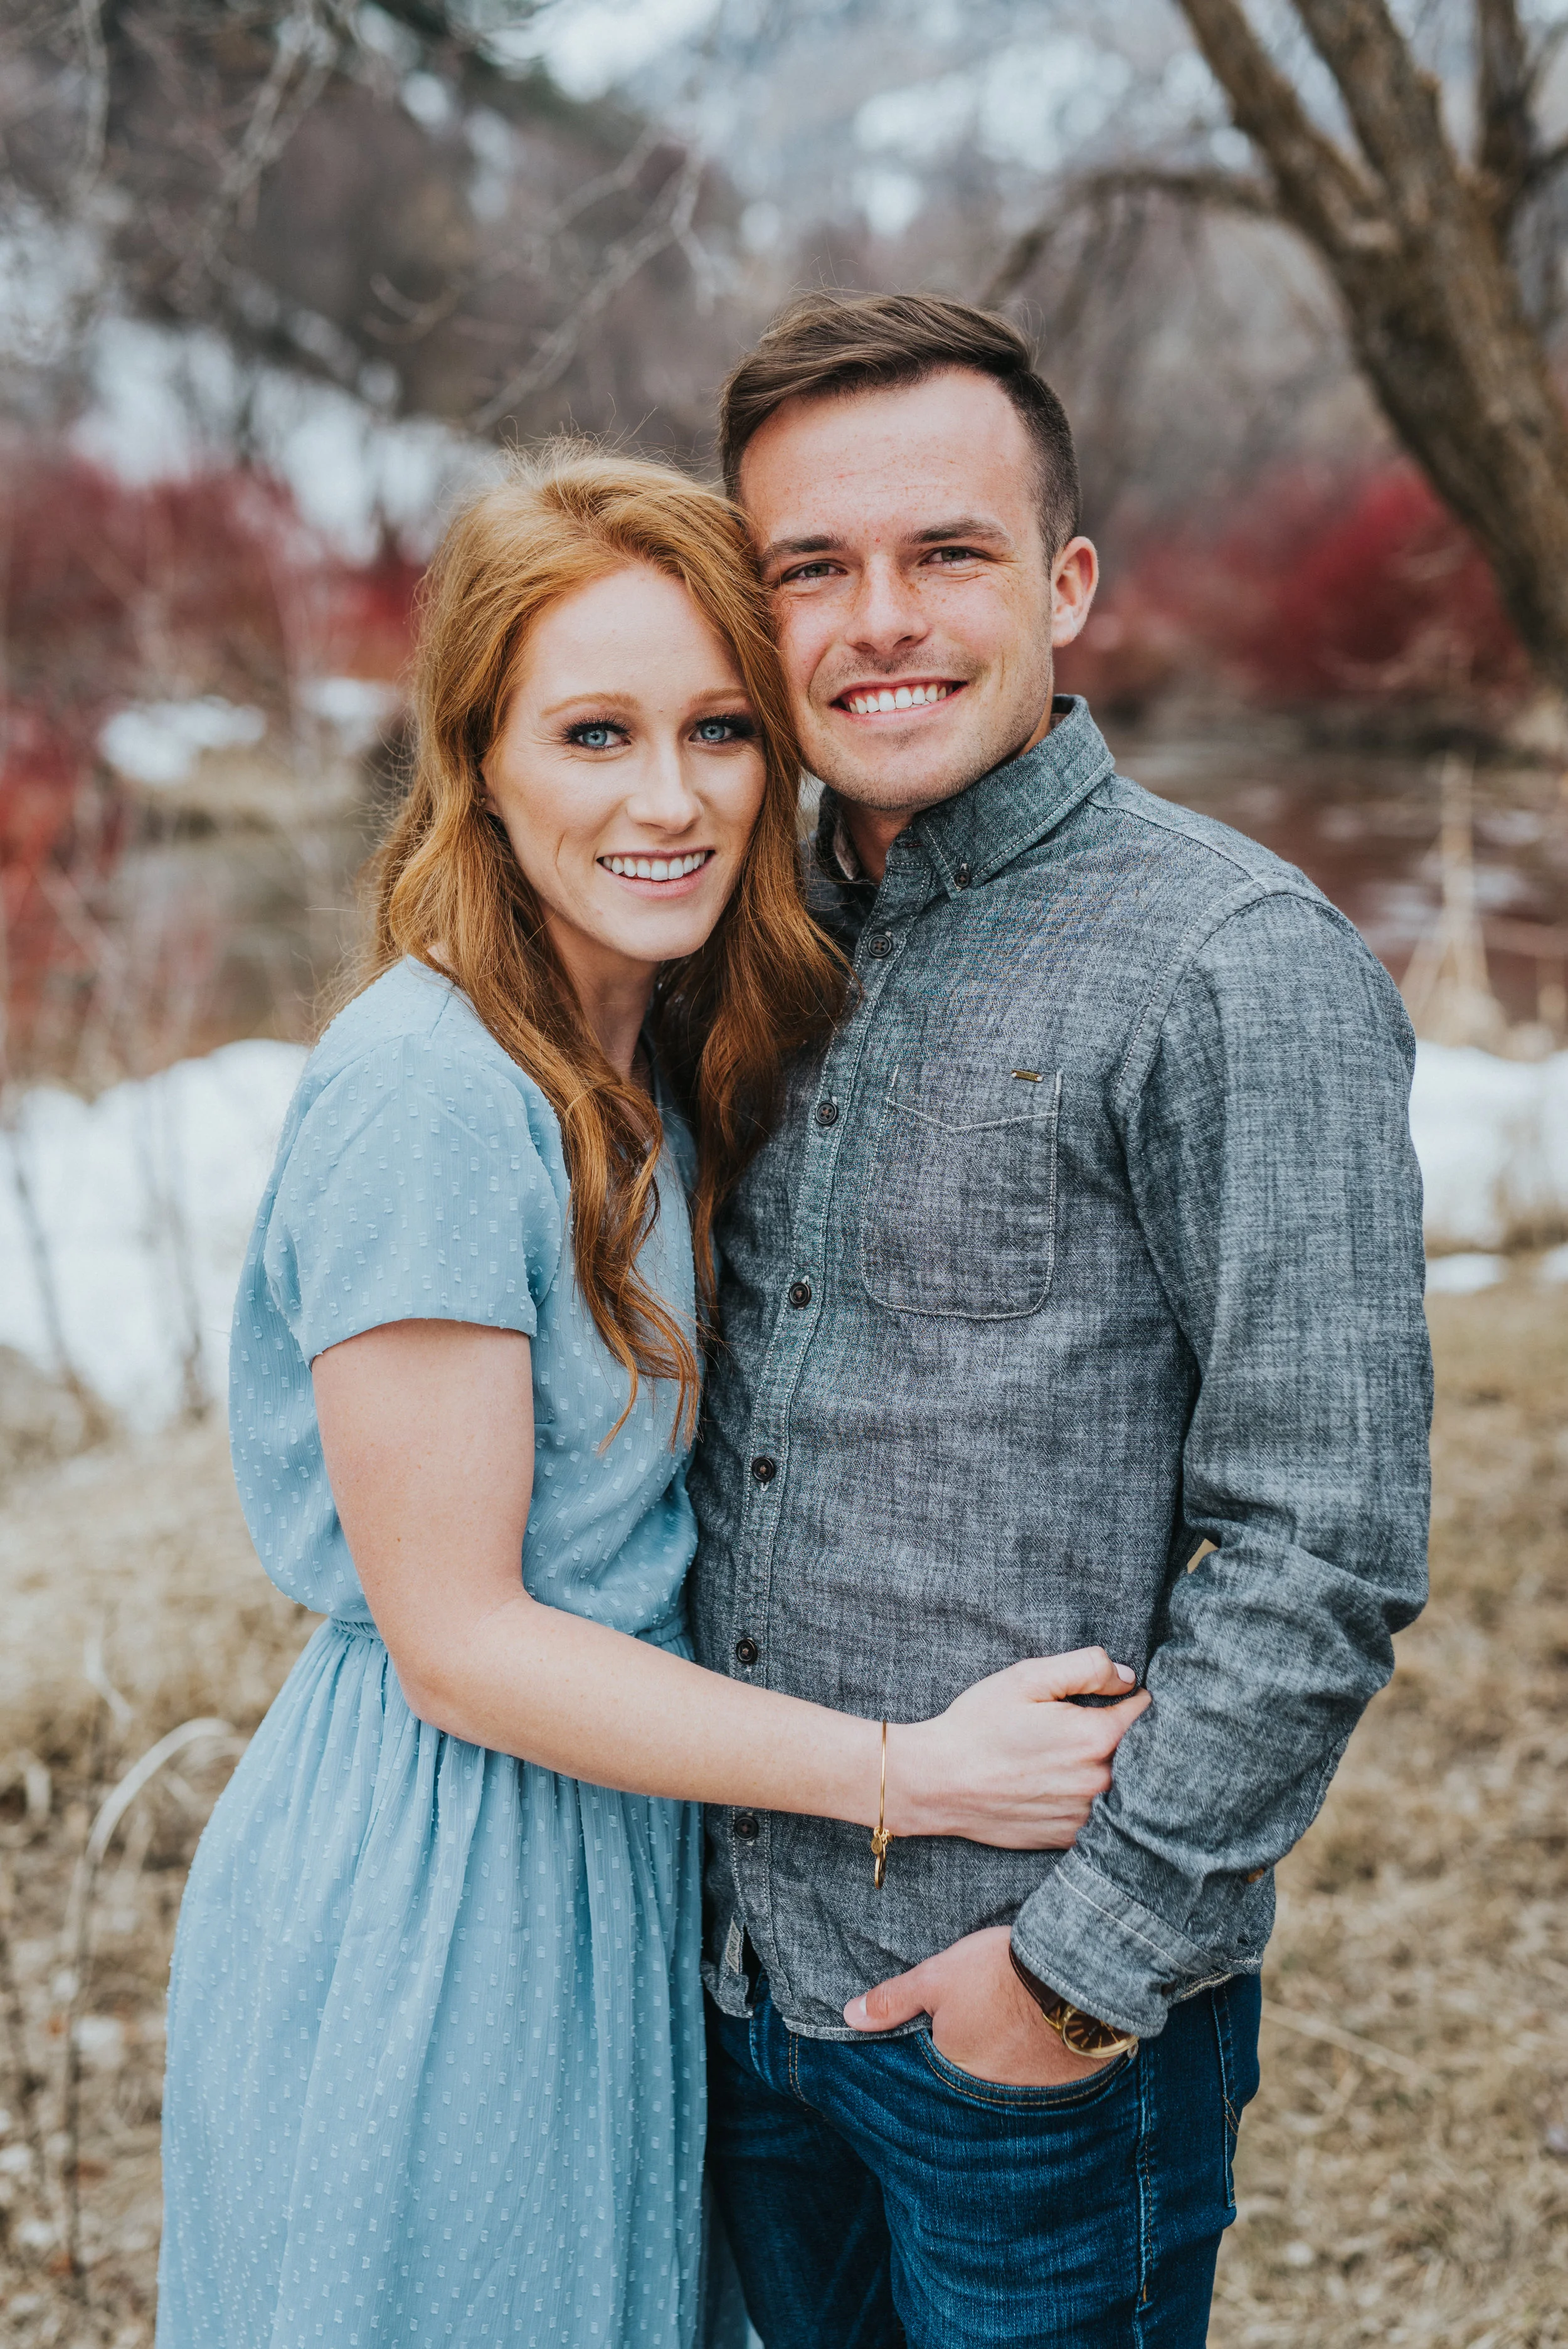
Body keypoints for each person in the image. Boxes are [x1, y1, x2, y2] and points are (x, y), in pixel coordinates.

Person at [154, 451, 1151, 2349]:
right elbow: (461, 1643)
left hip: (612, 1863)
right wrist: (906, 1772)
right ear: (478, 758)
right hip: (445, 1874)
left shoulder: (641, 1059)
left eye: (718, 729)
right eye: (593, 733)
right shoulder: (434, 1093)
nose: (670, 799)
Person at [691, 294, 1433, 2347]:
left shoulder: (1230, 962)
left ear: (1066, 586)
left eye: (947, 553)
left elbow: (1324, 1540)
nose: (879, 622)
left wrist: (1075, 1976)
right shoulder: (741, 942)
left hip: (1022, 2038)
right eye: (809, 569)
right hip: (740, 1987)